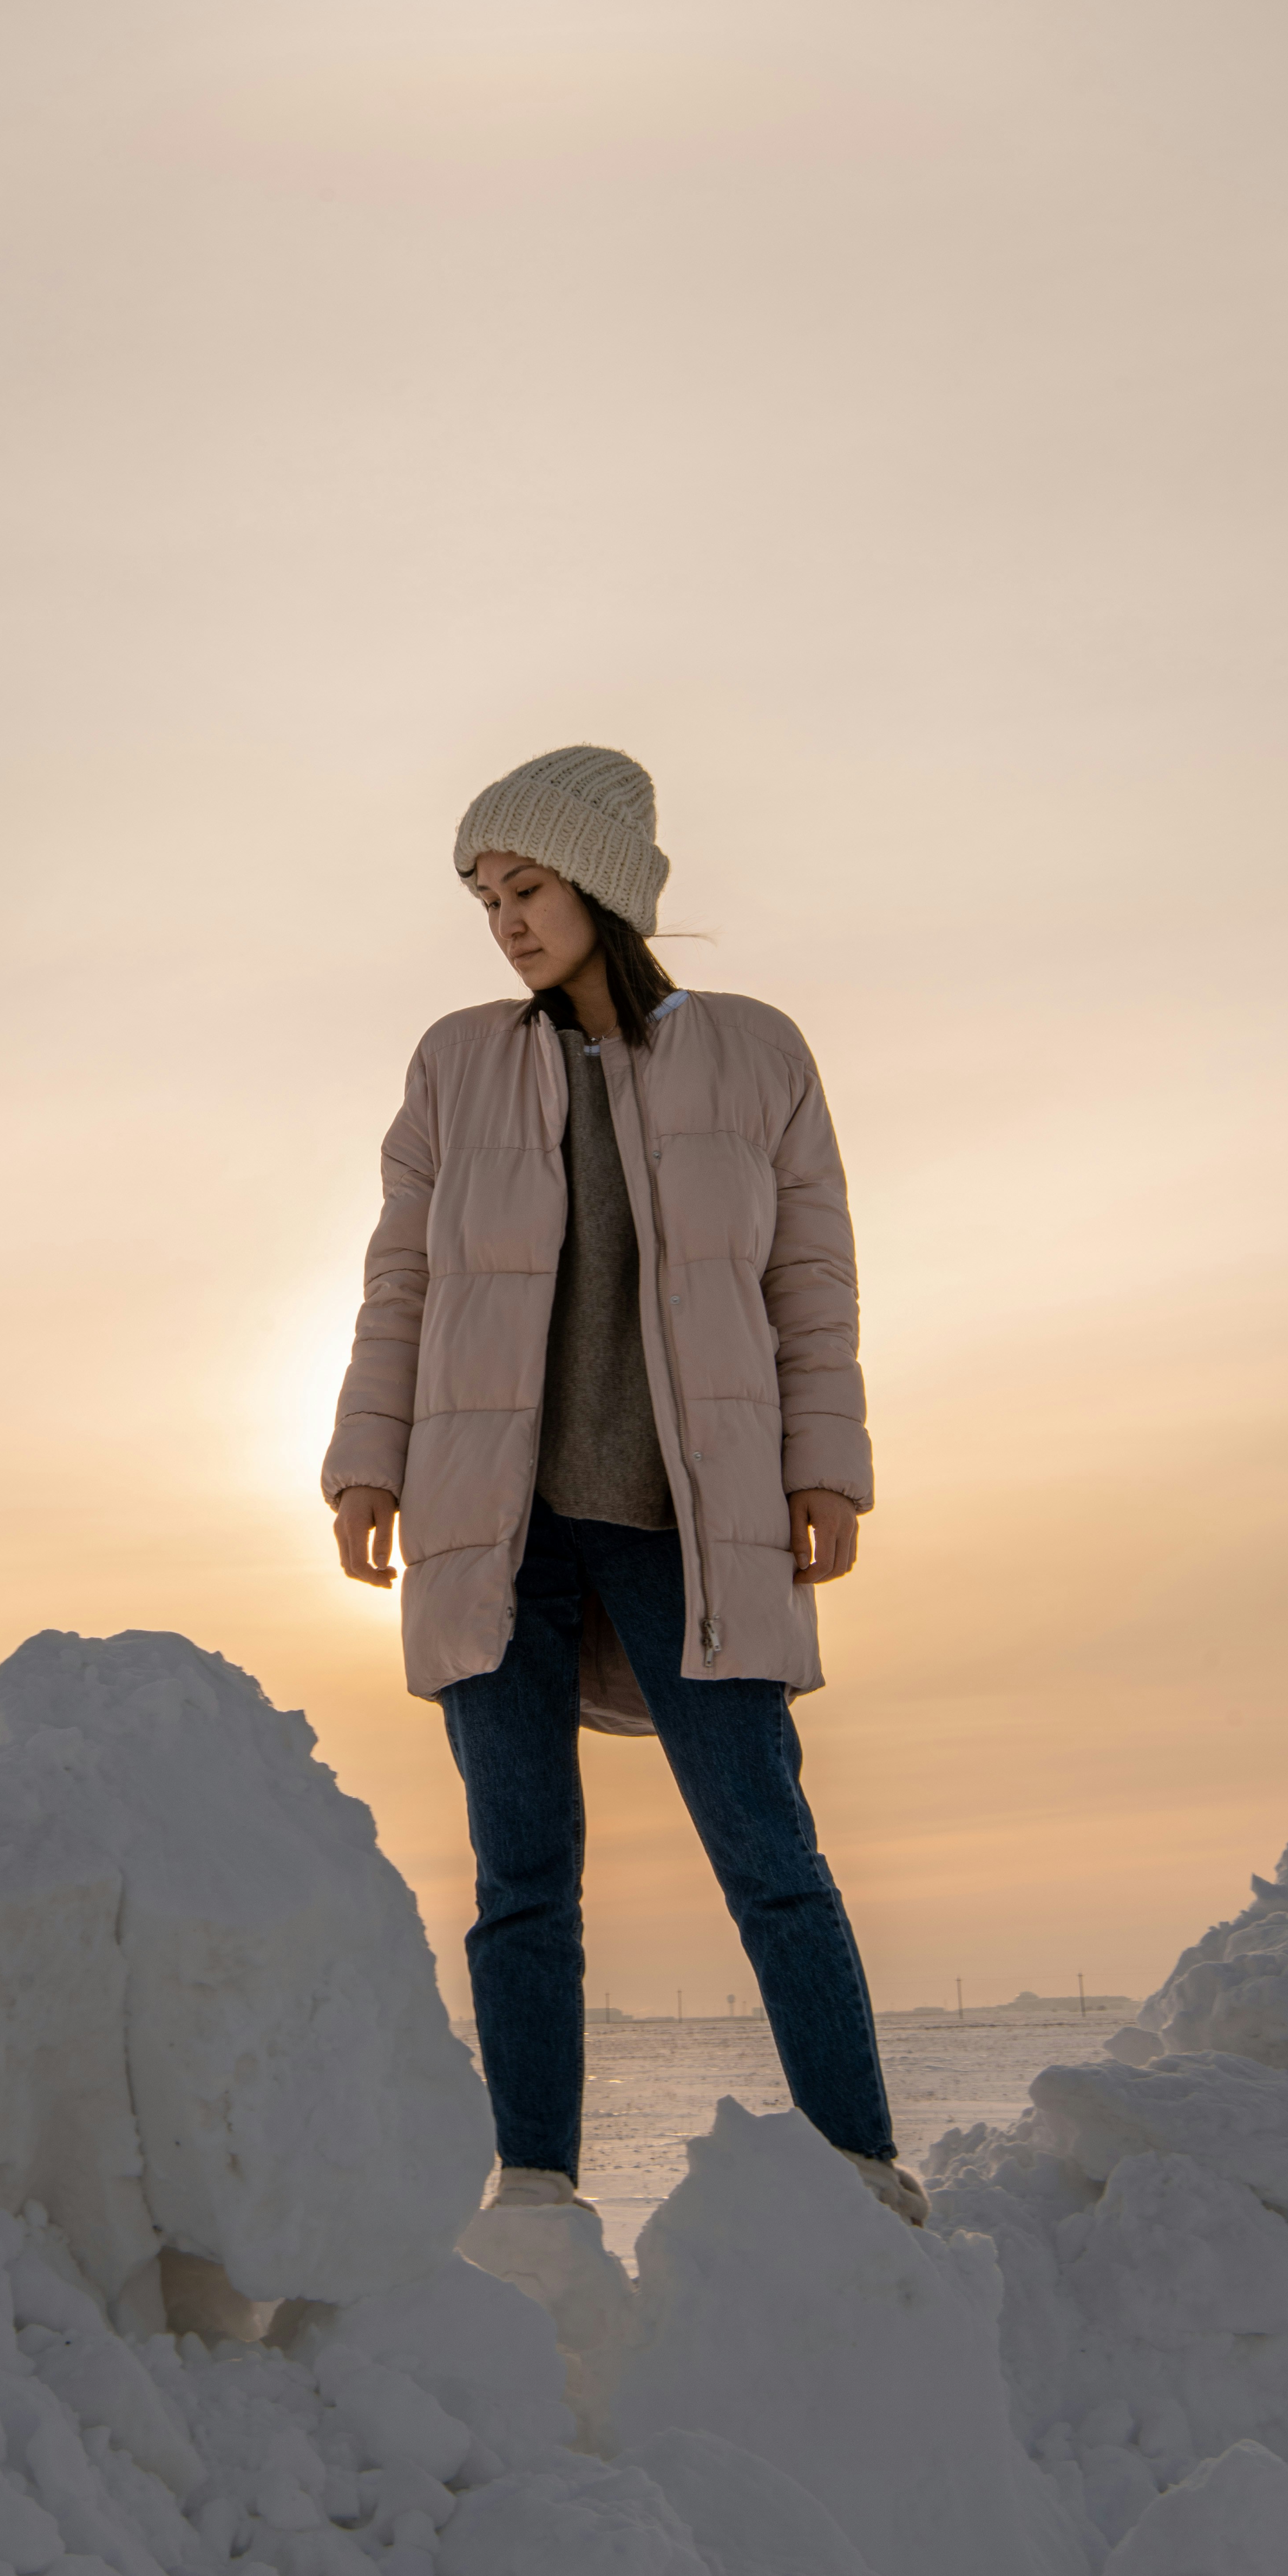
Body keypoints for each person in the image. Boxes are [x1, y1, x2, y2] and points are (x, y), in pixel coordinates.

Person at [323, 743, 925, 2226]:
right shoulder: (454, 1062)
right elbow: (398, 1281)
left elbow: (812, 1276)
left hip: (688, 1519)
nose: (506, 922)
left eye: (525, 887)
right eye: (485, 899)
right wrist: (363, 1462)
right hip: (493, 1520)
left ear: (602, 881)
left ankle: (860, 2171)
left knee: (768, 1852)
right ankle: (535, 2194)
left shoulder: (755, 1051)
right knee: (522, 1876)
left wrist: (825, 1466)